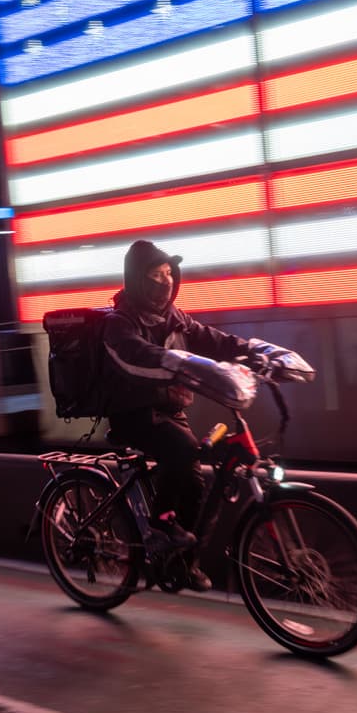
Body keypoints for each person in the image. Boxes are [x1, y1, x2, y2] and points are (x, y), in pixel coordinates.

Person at [101, 240, 280, 592]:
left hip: (169, 410)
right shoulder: (119, 322)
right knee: (182, 451)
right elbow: (137, 353)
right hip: (132, 411)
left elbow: (213, 340)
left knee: (197, 484)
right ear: (138, 279)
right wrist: (182, 363)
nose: (165, 281)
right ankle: (159, 526)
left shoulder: (176, 320)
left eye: (169, 273)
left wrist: (255, 351)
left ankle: (181, 564)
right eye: (156, 274)